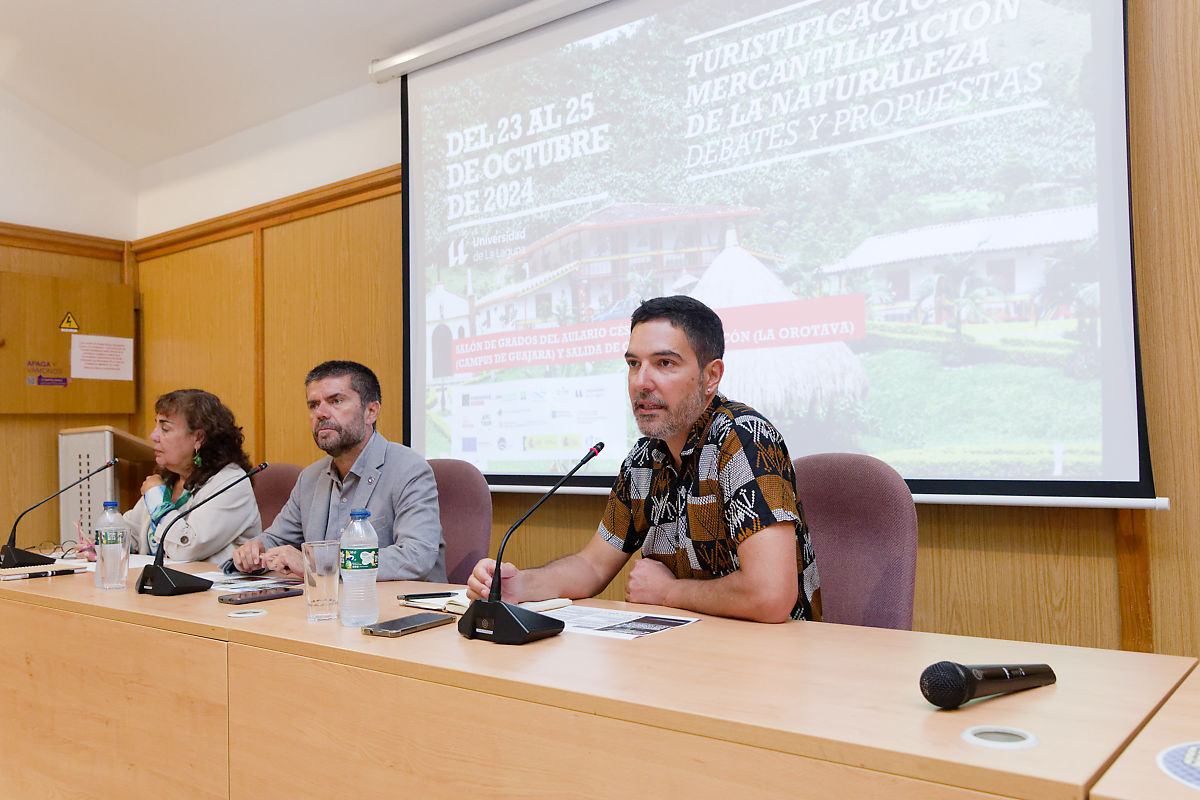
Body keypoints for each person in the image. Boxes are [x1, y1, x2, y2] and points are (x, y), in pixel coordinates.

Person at [467, 296, 821, 623]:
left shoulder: (744, 439)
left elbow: (771, 595)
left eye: (664, 363)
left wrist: (668, 592)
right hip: (687, 651)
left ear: (711, 376)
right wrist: (520, 585)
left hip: (773, 661)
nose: (641, 382)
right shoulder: (644, 458)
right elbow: (591, 566)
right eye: (633, 364)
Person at [230, 360, 446, 581]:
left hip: (398, 608)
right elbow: (275, 540)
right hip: (328, 605)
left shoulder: (409, 469)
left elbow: (416, 555)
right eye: (313, 405)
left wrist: (319, 563)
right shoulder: (310, 478)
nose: (321, 413)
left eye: (335, 401)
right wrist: (255, 551)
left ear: (371, 412)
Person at [121, 389, 262, 564]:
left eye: (165, 428)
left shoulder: (232, 483)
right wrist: (100, 545)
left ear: (199, 438)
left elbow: (186, 549)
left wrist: (157, 500)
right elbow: (133, 533)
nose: (153, 436)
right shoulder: (170, 478)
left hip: (211, 589)